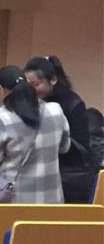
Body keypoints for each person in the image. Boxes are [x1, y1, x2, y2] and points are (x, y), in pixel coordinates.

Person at [0, 66, 71, 205]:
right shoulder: (55, 110)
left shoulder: (2, 116)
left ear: (0, 88)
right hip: (51, 196)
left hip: (14, 197)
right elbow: (64, 147)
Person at [23, 56, 96, 203]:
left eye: (36, 84)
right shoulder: (30, 102)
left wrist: (51, 140)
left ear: (53, 80)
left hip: (67, 172)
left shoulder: (72, 103)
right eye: (28, 84)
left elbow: (81, 146)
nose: (31, 90)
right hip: (39, 171)